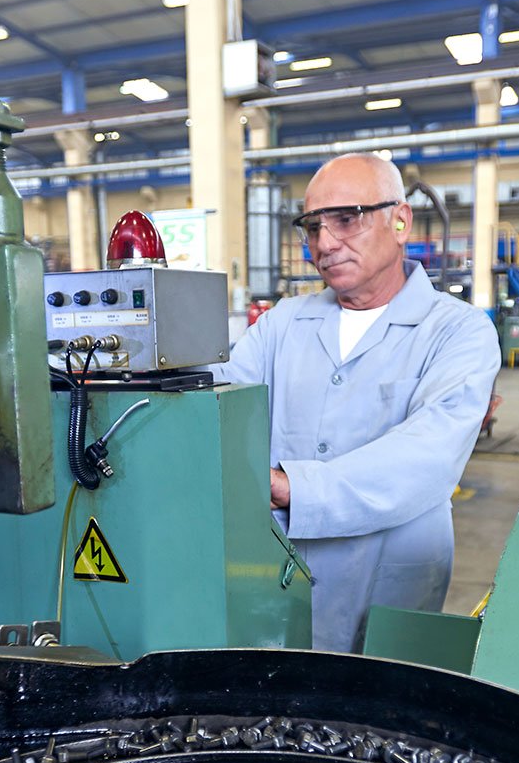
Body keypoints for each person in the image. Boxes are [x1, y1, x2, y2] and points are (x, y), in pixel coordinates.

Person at [212, 153, 499, 653]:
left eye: (347, 219)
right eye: (312, 226)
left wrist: (288, 487)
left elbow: (427, 455)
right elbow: (219, 402)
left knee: (376, 712)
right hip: (279, 573)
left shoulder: (458, 330)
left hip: (393, 581)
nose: (325, 243)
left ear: (400, 220)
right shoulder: (283, 323)